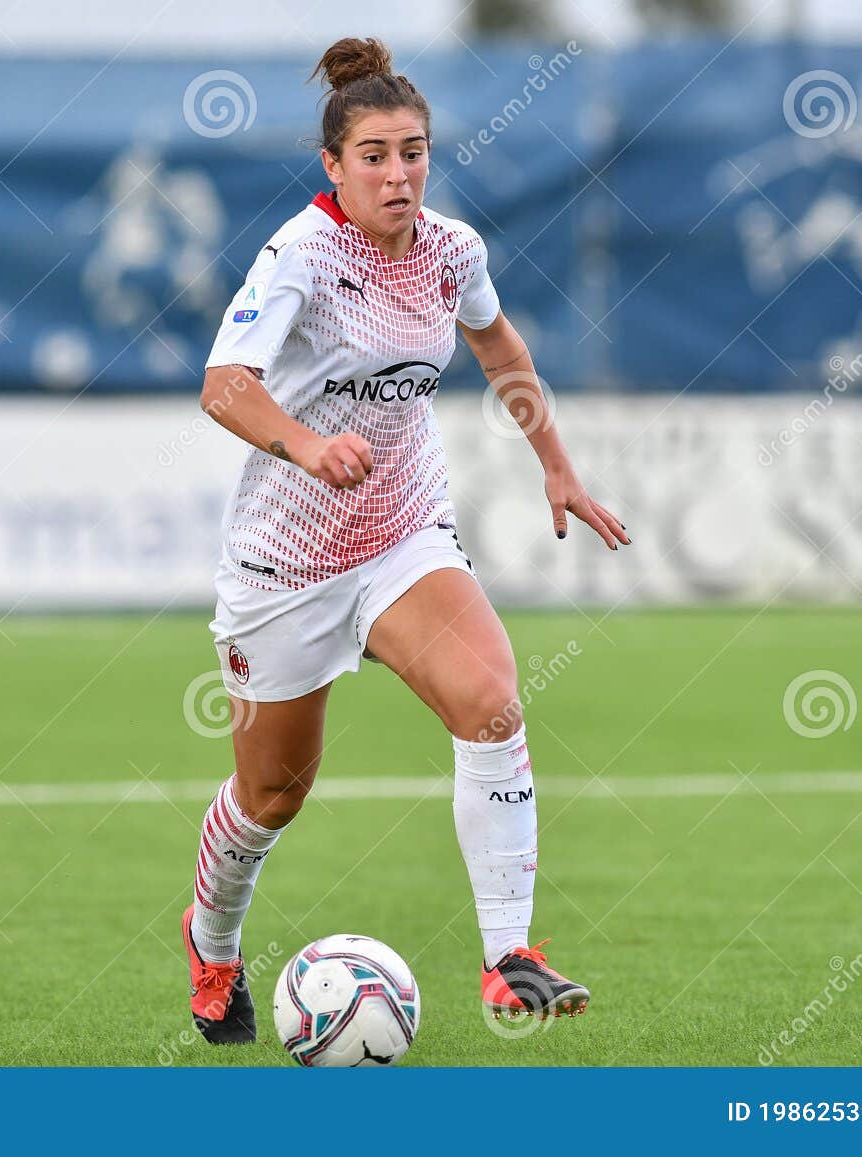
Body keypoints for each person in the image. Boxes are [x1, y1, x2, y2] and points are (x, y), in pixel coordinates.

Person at [183, 35, 629, 1045]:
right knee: (272, 794)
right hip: (284, 564)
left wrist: (554, 459)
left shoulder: (450, 249)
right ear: (333, 166)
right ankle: (212, 943)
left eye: (414, 151)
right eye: (375, 155)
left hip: (399, 534)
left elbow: (497, 342)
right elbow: (224, 385)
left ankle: (508, 954)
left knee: (490, 700)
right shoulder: (300, 256)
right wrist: (301, 441)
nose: (399, 173)